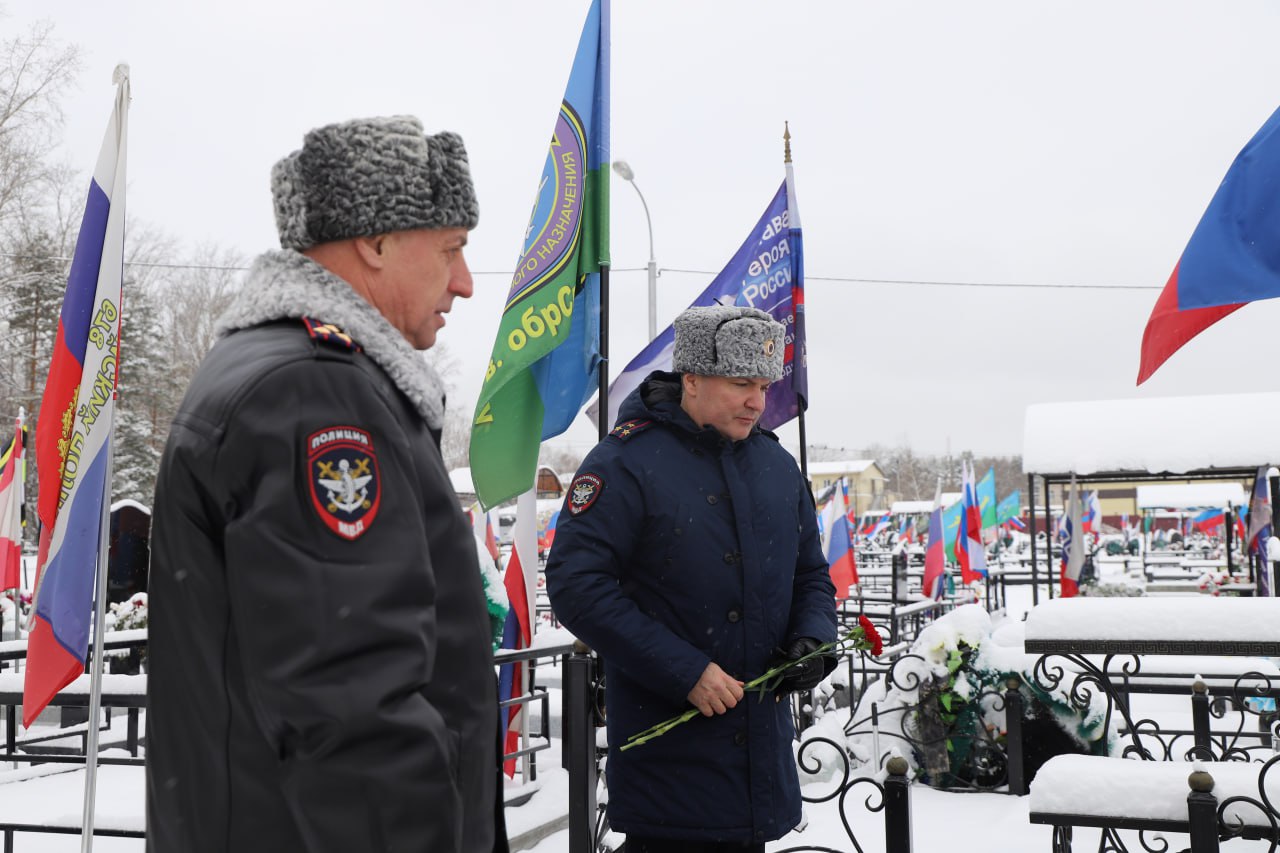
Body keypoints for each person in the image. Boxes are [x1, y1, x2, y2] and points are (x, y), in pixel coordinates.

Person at [146, 116, 505, 853]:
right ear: (376, 242)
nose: (465, 282)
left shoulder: (287, 371)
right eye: (451, 248)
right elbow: (355, 710)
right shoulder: (316, 392)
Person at [545, 305, 839, 852]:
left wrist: (813, 640)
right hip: (671, 768)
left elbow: (811, 575)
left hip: (760, 764)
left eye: (764, 386)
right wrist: (684, 671)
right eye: (741, 384)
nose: (758, 402)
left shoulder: (777, 466)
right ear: (693, 379)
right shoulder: (623, 462)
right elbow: (576, 585)